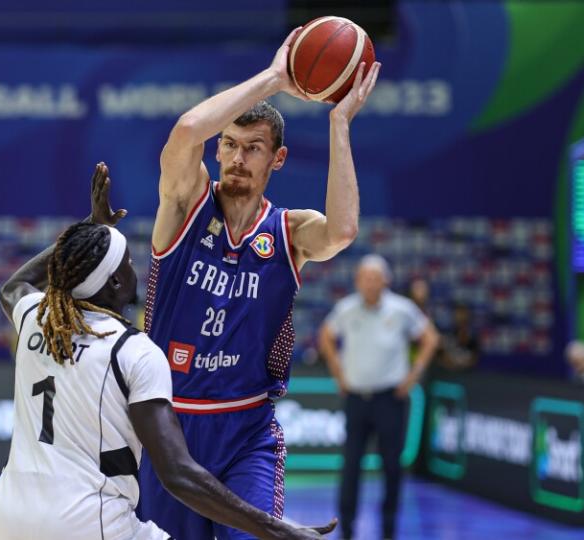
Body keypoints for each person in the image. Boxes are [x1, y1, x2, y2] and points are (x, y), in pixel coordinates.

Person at [0, 163, 335, 540]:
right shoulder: (133, 349)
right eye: (128, 263)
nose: (136, 267)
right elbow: (178, 474)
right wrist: (276, 529)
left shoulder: (36, 319)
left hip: (10, 512)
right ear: (117, 282)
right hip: (89, 517)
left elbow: (16, 284)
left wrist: (92, 228)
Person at [137, 26, 381, 539]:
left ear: (278, 159)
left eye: (253, 148)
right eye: (229, 145)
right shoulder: (186, 206)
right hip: (167, 425)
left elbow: (342, 231)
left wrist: (339, 123)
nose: (237, 159)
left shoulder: (289, 231)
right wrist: (274, 78)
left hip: (247, 430)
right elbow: (185, 132)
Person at [318, 254, 439, 540]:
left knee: (392, 467)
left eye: (376, 278)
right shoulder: (346, 309)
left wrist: (413, 375)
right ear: (358, 281)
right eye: (365, 278)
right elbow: (325, 335)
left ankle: (388, 529)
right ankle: (345, 529)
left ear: (386, 280)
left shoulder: (402, 309)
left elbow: (430, 338)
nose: (371, 283)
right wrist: (337, 371)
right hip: (357, 399)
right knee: (350, 466)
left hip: (390, 399)